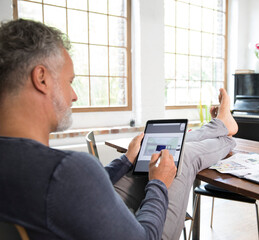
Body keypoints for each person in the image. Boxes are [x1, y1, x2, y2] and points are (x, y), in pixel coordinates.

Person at [0, 19, 238, 240]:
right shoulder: (65, 171)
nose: (74, 95)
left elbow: (79, 187)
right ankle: (227, 136)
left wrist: (125, 160)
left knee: (169, 146)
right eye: (69, 81)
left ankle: (220, 126)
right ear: (41, 78)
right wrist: (160, 183)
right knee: (182, 157)